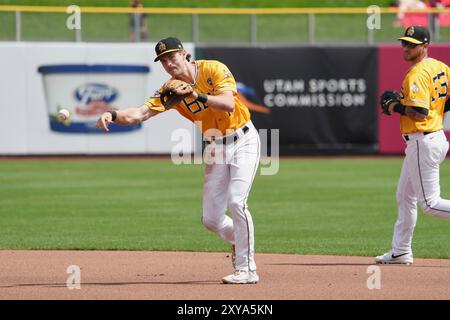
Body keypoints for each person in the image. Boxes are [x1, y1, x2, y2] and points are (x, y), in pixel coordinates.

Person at [96, 37, 261, 284]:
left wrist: (197, 95)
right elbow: (140, 113)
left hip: (243, 140)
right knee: (212, 219)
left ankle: (247, 268)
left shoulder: (213, 68)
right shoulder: (170, 89)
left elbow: (227, 103)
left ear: (184, 54)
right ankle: (239, 239)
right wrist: (112, 114)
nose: (168, 63)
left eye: (171, 56)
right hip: (215, 147)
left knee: (237, 201)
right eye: (163, 60)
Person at [376, 26, 450, 264]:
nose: (406, 48)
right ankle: (401, 250)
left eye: (412, 44)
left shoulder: (417, 74)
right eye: (404, 43)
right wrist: (438, 110)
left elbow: (418, 113)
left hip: (423, 140)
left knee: (430, 204)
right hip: (432, 137)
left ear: (424, 45)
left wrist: (393, 106)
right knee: (404, 195)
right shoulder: (439, 66)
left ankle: (401, 250)